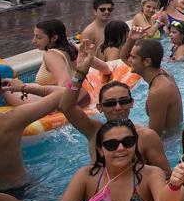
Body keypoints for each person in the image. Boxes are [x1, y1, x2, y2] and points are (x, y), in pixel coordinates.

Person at [45, 120, 180, 201]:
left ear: (135, 144)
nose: (120, 148)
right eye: (111, 145)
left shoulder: (151, 174)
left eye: (128, 141)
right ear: (100, 150)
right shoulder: (86, 176)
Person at [62, 40, 170, 171]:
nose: (118, 107)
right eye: (110, 103)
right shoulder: (94, 131)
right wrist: (80, 72)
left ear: (132, 103)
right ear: (99, 108)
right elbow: (66, 107)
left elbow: (166, 175)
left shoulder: (146, 136)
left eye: (124, 101)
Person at [127, 39, 183, 134]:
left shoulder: (157, 92)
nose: (129, 60)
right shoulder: (165, 74)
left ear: (147, 62)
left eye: (133, 57)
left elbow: (154, 135)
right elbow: (123, 58)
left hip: (168, 143)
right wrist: (131, 38)